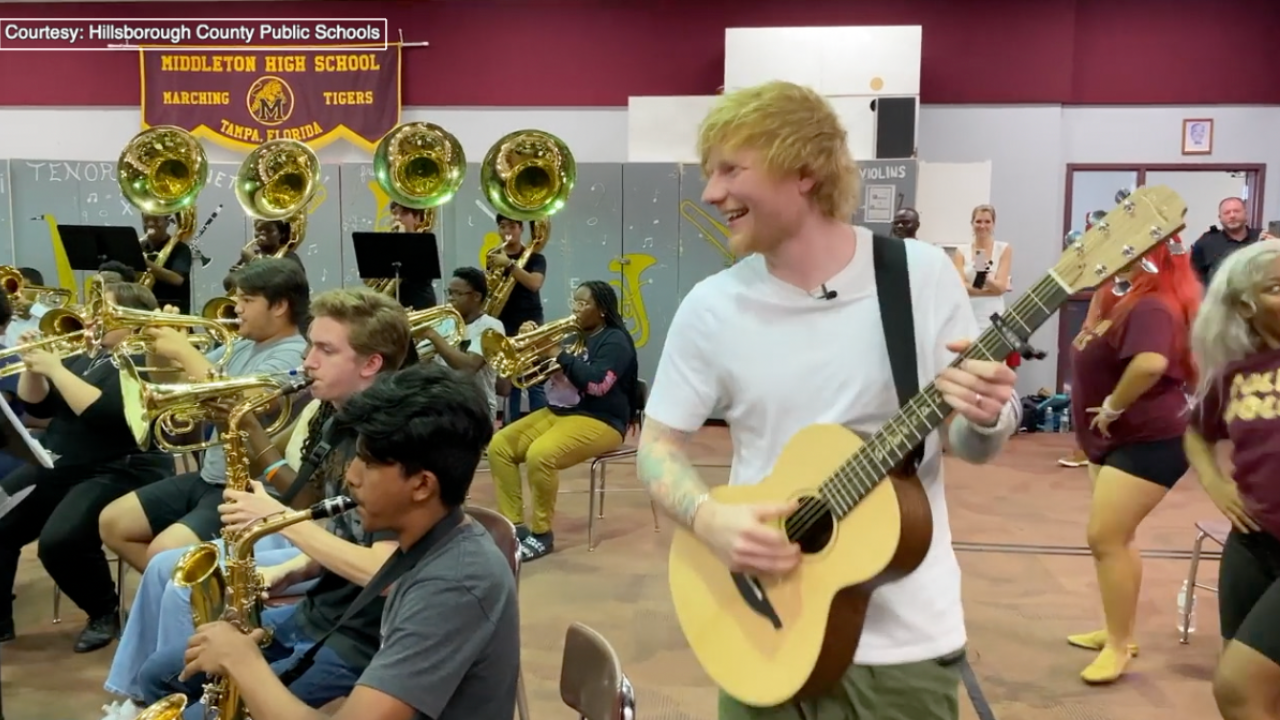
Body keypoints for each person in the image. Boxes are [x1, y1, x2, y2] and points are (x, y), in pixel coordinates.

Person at [636, 81, 1021, 720]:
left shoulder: (919, 277)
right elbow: (657, 451)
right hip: (762, 625)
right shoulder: (712, 307)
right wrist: (708, 518)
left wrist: (984, 416)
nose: (709, 193)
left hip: (903, 641)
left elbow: (970, 440)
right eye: (710, 173)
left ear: (805, 173)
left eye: (732, 169)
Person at [106, 288, 414, 720]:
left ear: (371, 364)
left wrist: (280, 520)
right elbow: (342, 527)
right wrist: (289, 569)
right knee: (157, 673)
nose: (308, 361)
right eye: (310, 346)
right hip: (318, 611)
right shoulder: (338, 423)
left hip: (357, 637)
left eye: (325, 349)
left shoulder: (393, 442)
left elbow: (384, 571)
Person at [178, 363, 518, 720]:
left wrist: (242, 662)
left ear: (422, 485)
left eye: (369, 464)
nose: (351, 477)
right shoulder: (425, 545)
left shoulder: (454, 584)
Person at [99, 258, 309, 570]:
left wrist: (183, 349)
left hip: (249, 488)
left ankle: (193, 599)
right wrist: (160, 345)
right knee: (113, 522)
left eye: (247, 300)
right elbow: (174, 384)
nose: (236, 307)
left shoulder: (293, 353)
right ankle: (188, 594)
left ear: (279, 306)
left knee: (163, 554)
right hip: (210, 478)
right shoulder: (242, 345)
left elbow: (240, 405)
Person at [0, 283, 173, 651]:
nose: (93, 318)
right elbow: (39, 408)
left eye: (105, 311)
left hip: (120, 467)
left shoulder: (146, 359)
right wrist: (35, 364)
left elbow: (106, 414)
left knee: (60, 541)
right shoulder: (85, 356)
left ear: (133, 318)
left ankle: (104, 611)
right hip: (61, 462)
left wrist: (56, 368)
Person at [1064, 240, 1200, 684]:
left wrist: (1112, 406)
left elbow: (1149, 363)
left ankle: (1120, 646)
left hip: (1148, 439)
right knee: (1117, 540)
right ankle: (1116, 629)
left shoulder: (1153, 306)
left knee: (1105, 537)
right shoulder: (1123, 297)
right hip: (1115, 440)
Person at [1184, 239, 1280, 720]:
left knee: (1239, 687)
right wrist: (1216, 484)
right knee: (1250, 688)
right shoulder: (1236, 373)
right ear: (1246, 304)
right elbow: (1197, 434)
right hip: (1252, 542)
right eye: (1277, 288)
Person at [488, 280, 638, 561]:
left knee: (540, 454)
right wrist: (528, 347)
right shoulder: (571, 335)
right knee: (500, 446)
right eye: (575, 302)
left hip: (600, 418)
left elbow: (597, 385)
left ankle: (542, 534)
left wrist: (557, 353)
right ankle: (516, 527)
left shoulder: (615, 340)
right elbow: (534, 374)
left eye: (584, 304)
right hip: (558, 412)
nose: (577, 309)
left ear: (602, 309)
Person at [420, 266, 505, 418]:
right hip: (443, 403)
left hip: (476, 407)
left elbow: (468, 367)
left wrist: (432, 335)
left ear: (477, 296)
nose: (451, 298)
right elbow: (418, 360)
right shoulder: (445, 323)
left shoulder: (491, 326)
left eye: (458, 293)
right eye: (449, 293)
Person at [487, 213, 547, 423]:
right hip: (503, 322)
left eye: (512, 227)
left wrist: (510, 265)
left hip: (530, 322)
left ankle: (539, 426)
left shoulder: (535, 257)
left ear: (521, 229)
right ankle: (509, 426)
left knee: (533, 378)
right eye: (502, 227)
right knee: (507, 380)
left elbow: (534, 284)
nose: (507, 232)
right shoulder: (494, 256)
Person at [953, 204, 1013, 335]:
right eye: (978, 221)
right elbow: (960, 287)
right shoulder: (961, 251)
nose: (982, 226)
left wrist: (986, 278)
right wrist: (991, 290)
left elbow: (1001, 288)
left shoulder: (1003, 249)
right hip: (967, 311)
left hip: (992, 313)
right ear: (972, 223)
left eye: (987, 221)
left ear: (993, 224)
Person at [1191, 197, 1261, 286]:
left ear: (1246, 214)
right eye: (1227, 213)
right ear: (1220, 218)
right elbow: (1193, 276)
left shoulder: (1262, 238)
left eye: (1236, 211)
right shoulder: (1206, 243)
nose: (1232, 216)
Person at [383, 201, 437, 311]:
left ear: (417, 218)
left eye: (403, 213)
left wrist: (402, 239)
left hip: (419, 306)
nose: (397, 218)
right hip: (392, 307)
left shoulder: (424, 243)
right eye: (394, 213)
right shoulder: (387, 244)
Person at [225, 220, 306, 291]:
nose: (262, 233)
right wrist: (237, 277)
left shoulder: (289, 257)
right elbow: (227, 283)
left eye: (269, 230)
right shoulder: (252, 253)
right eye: (258, 229)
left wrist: (253, 260)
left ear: (281, 234)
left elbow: (287, 285)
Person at [140, 213, 194, 315]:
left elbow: (177, 279)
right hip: (143, 310)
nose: (150, 224)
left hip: (172, 312)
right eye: (146, 220)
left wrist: (146, 263)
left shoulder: (180, 249)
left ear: (167, 223)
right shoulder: (140, 247)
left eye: (156, 220)